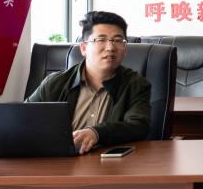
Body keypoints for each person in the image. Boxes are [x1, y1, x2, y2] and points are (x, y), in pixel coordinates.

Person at [26, 10, 151, 154]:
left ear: (125, 49)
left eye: (118, 40)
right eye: (101, 40)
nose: (110, 47)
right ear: (84, 48)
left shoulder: (135, 84)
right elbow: (24, 119)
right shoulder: (55, 83)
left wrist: (97, 133)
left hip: (108, 163)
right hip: (57, 161)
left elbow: (138, 126)